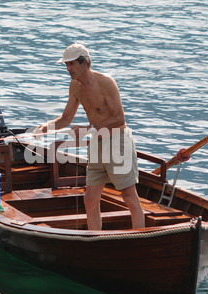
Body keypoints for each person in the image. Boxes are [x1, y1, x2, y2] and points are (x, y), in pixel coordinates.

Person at [35, 43, 145, 230]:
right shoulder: (75, 86)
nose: (68, 69)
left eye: (72, 65)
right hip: (97, 143)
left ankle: (142, 239)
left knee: (128, 196)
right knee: (90, 199)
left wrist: (87, 130)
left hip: (118, 141)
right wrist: (43, 128)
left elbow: (119, 119)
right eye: (66, 65)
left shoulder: (106, 82)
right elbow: (66, 118)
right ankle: (95, 239)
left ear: (84, 62)